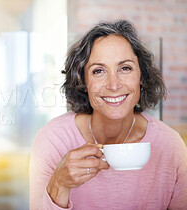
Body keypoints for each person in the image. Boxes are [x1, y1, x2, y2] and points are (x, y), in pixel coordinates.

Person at [29, 20, 187, 210]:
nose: (113, 85)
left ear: (142, 77)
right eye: (98, 71)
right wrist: (59, 184)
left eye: (125, 68)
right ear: (83, 82)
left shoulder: (170, 145)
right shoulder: (53, 140)